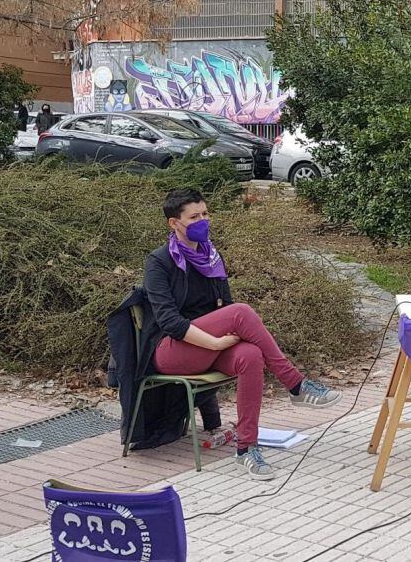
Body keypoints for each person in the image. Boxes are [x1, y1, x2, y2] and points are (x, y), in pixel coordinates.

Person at [143, 188, 342, 480]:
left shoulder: (211, 256)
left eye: (205, 214)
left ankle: (246, 448)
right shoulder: (159, 261)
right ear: (174, 223)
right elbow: (169, 321)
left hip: (210, 347)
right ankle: (295, 384)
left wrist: (224, 340)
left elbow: (222, 304)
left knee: (250, 355)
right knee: (241, 312)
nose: (203, 221)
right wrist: (215, 342)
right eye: (194, 217)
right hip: (172, 350)